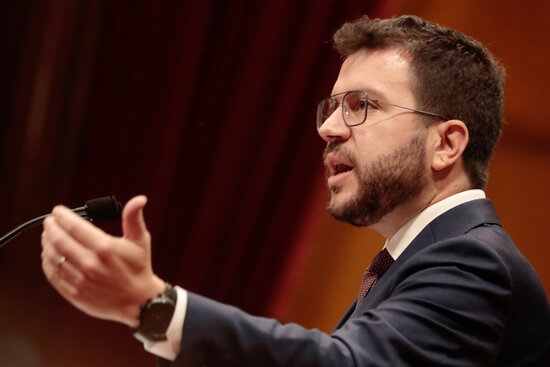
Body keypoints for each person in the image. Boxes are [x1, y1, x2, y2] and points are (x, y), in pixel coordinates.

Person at [41, 14, 550, 366]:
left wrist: (156, 306)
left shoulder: (472, 263)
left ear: (446, 144)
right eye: (330, 108)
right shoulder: (423, 258)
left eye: (361, 105)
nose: (329, 129)